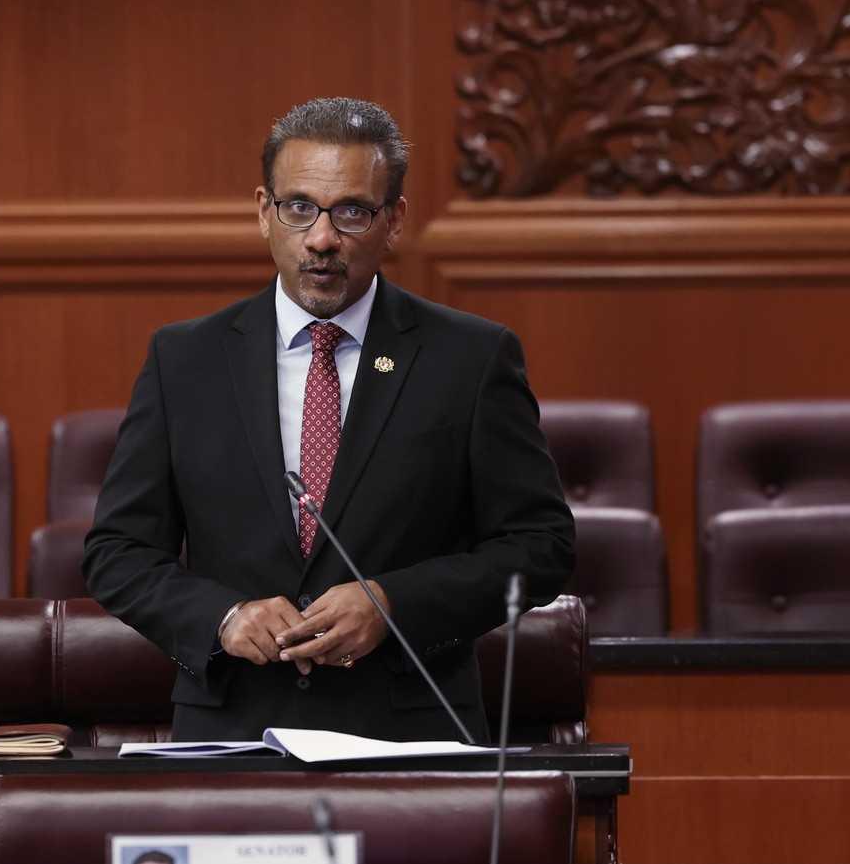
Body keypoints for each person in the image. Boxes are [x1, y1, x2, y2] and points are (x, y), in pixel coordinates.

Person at [83, 97, 574, 742]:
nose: (321, 238)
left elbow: (540, 546)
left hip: (410, 731)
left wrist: (393, 604)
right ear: (264, 211)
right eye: (299, 208)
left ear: (394, 219)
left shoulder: (471, 358)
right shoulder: (185, 359)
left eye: (352, 212)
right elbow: (118, 553)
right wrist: (222, 616)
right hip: (232, 729)